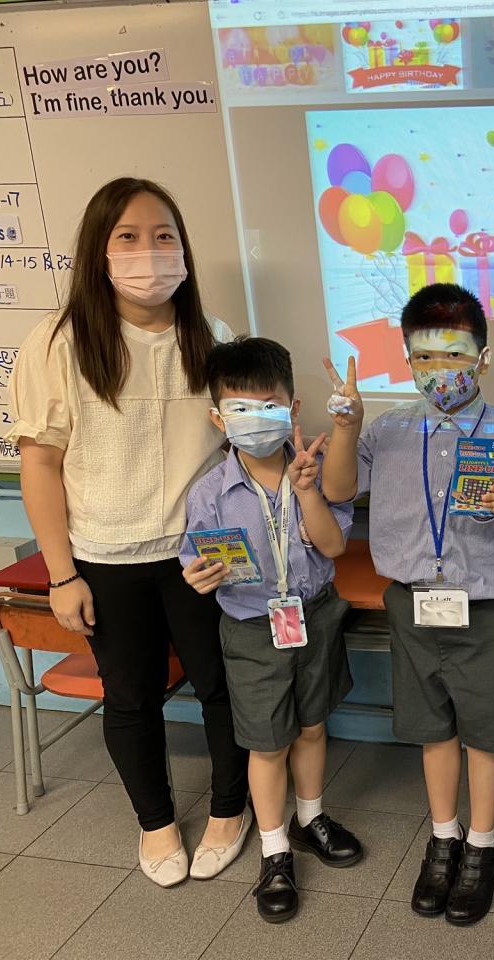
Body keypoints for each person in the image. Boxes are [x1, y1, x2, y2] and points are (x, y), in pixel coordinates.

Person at [6, 177, 249, 888]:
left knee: (224, 686)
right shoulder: (59, 342)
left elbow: (243, 445)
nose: (150, 251)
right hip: (106, 557)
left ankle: (231, 810)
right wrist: (61, 574)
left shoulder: (214, 339)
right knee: (131, 695)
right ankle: (156, 822)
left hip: (203, 553)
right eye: (129, 237)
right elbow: (40, 464)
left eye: (164, 235)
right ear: (99, 250)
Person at [321, 284, 494, 927]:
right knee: (432, 726)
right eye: (423, 357)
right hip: (413, 603)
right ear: (407, 361)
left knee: (487, 731)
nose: (438, 369)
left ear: (483, 358)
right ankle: (444, 836)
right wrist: (345, 428)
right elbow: (338, 488)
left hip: (489, 606)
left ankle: (482, 844)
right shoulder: (387, 430)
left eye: (454, 354)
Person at [181, 337, 362, 923]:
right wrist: (197, 576)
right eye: (240, 408)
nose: (256, 418)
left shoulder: (317, 469)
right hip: (252, 628)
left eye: (269, 405)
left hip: (315, 615)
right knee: (267, 742)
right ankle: (274, 848)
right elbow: (195, 559)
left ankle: (309, 817)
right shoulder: (210, 493)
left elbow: (332, 545)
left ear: (293, 407)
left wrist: (306, 491)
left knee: (312, 726)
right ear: (218, 418)